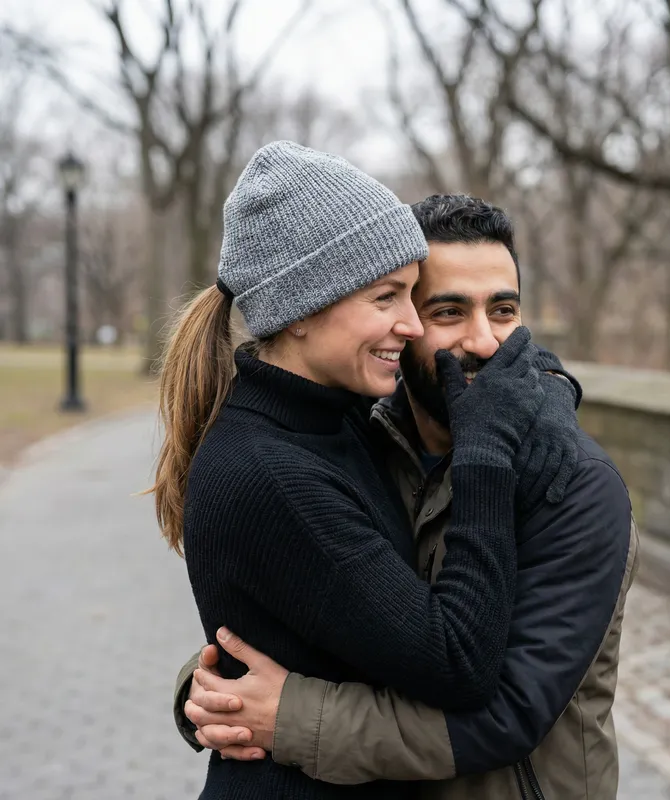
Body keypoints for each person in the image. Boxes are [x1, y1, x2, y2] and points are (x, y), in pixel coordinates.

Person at [172, 194, 639, 799]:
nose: (485, 342)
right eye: (447, 311)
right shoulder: (363, 437)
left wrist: (286, 716)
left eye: (503, 310)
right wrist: (212, 686)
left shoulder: (570, 481)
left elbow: (508, 713)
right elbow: (330, 606)